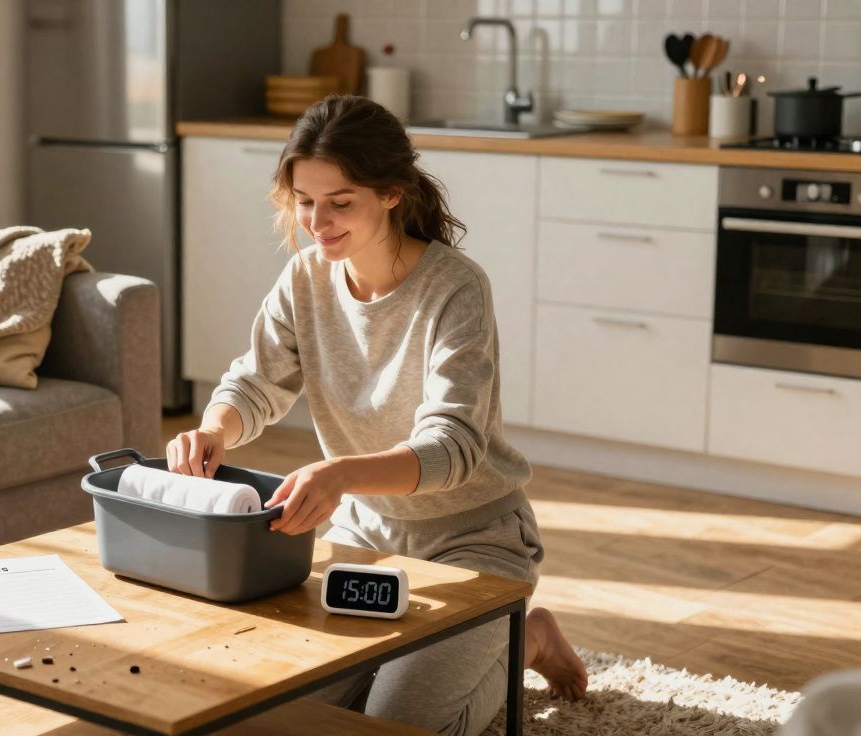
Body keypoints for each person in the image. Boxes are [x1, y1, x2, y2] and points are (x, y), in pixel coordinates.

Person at [166, 95, 588, 735]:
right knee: (285, 715)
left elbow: (454, 446)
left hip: (475, 544)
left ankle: (523, 640)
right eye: (305, 201)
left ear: (391, 193)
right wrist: (212, 429)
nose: (317, 221)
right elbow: (255, 381)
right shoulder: (304, 278)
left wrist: (339, 475)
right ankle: (498, 642)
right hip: (366, 541)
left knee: (401, 726)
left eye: (340, 202)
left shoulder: (455, 288)